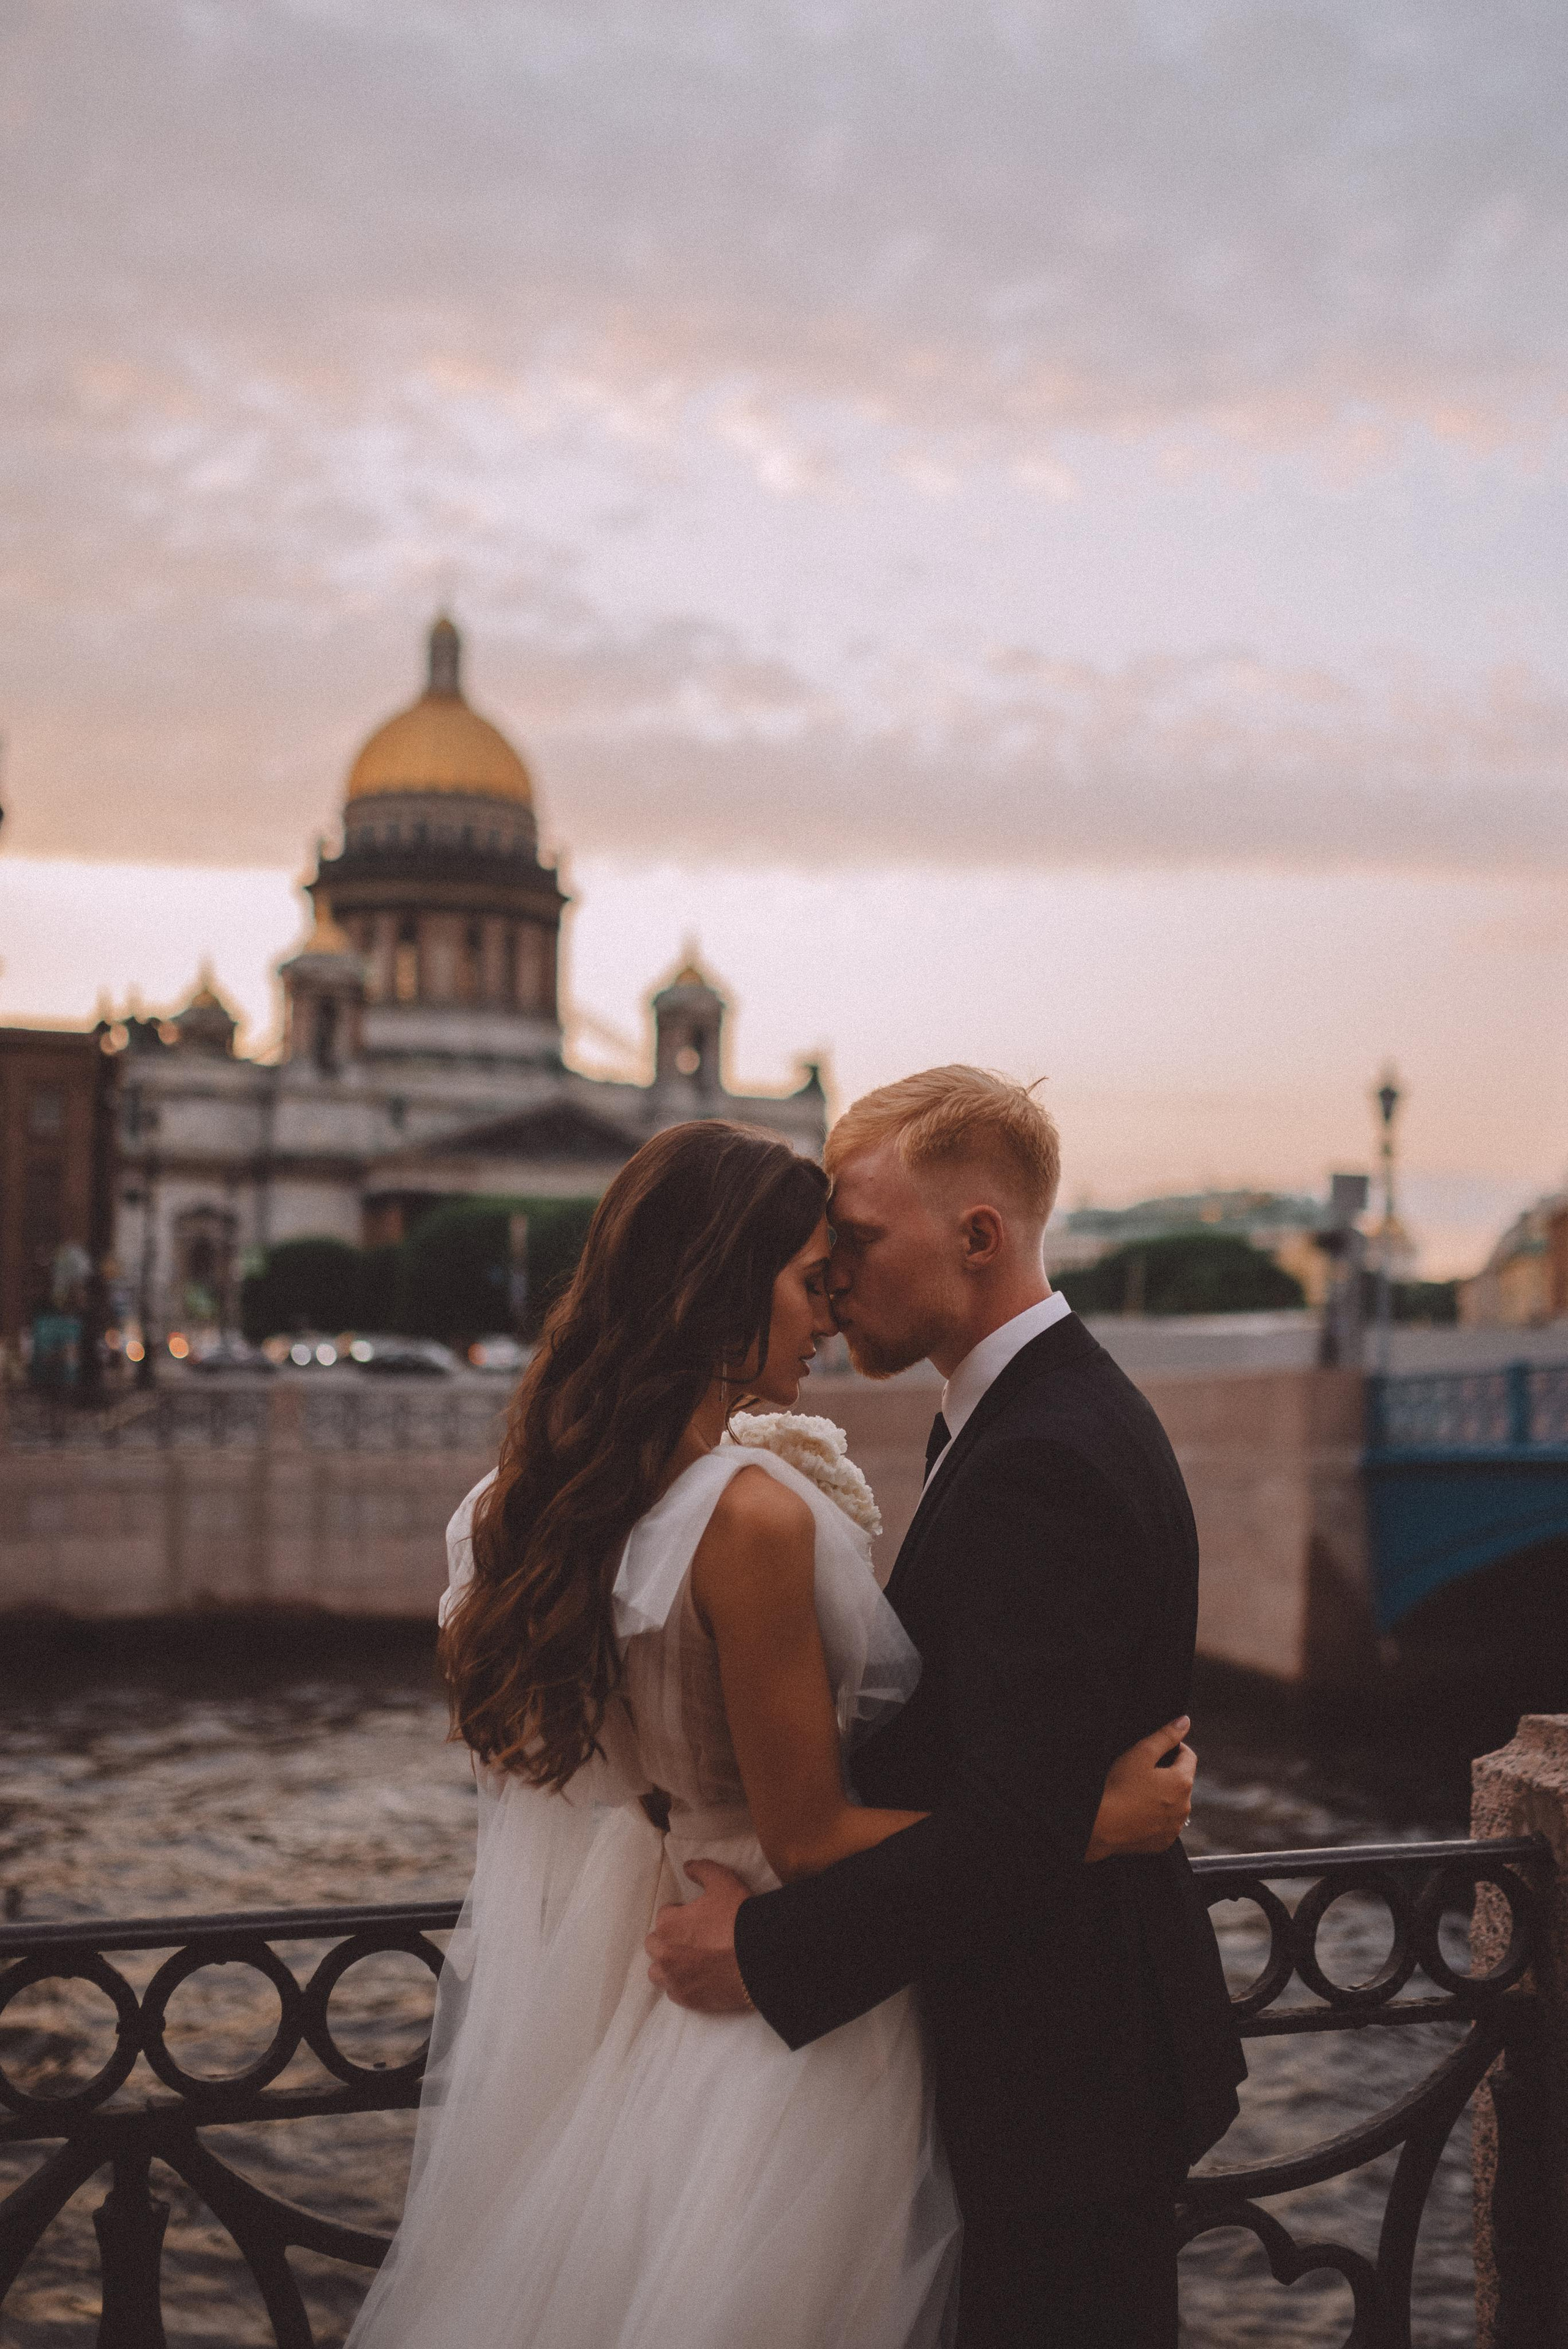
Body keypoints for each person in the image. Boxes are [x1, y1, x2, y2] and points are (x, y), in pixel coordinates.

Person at [346, 1117, 1194, 2349]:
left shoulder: (525, 1507)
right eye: (809, 1276)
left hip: (645, 1961)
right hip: (776, 1978)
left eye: (840, 1262)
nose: (830, 1304)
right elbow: (808, 1837)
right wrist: (1095, 1821)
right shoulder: (748, 1516)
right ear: (720, 1291)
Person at [647, 1071, 1248, 2348]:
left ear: (975, 1237)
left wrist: (761, 1955)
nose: (828, 1278)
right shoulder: (1024, 1418)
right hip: (1062, 2070)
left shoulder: (1041, 1456)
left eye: (853, 1240)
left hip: (1060, 2092)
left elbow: (1005, 1833)